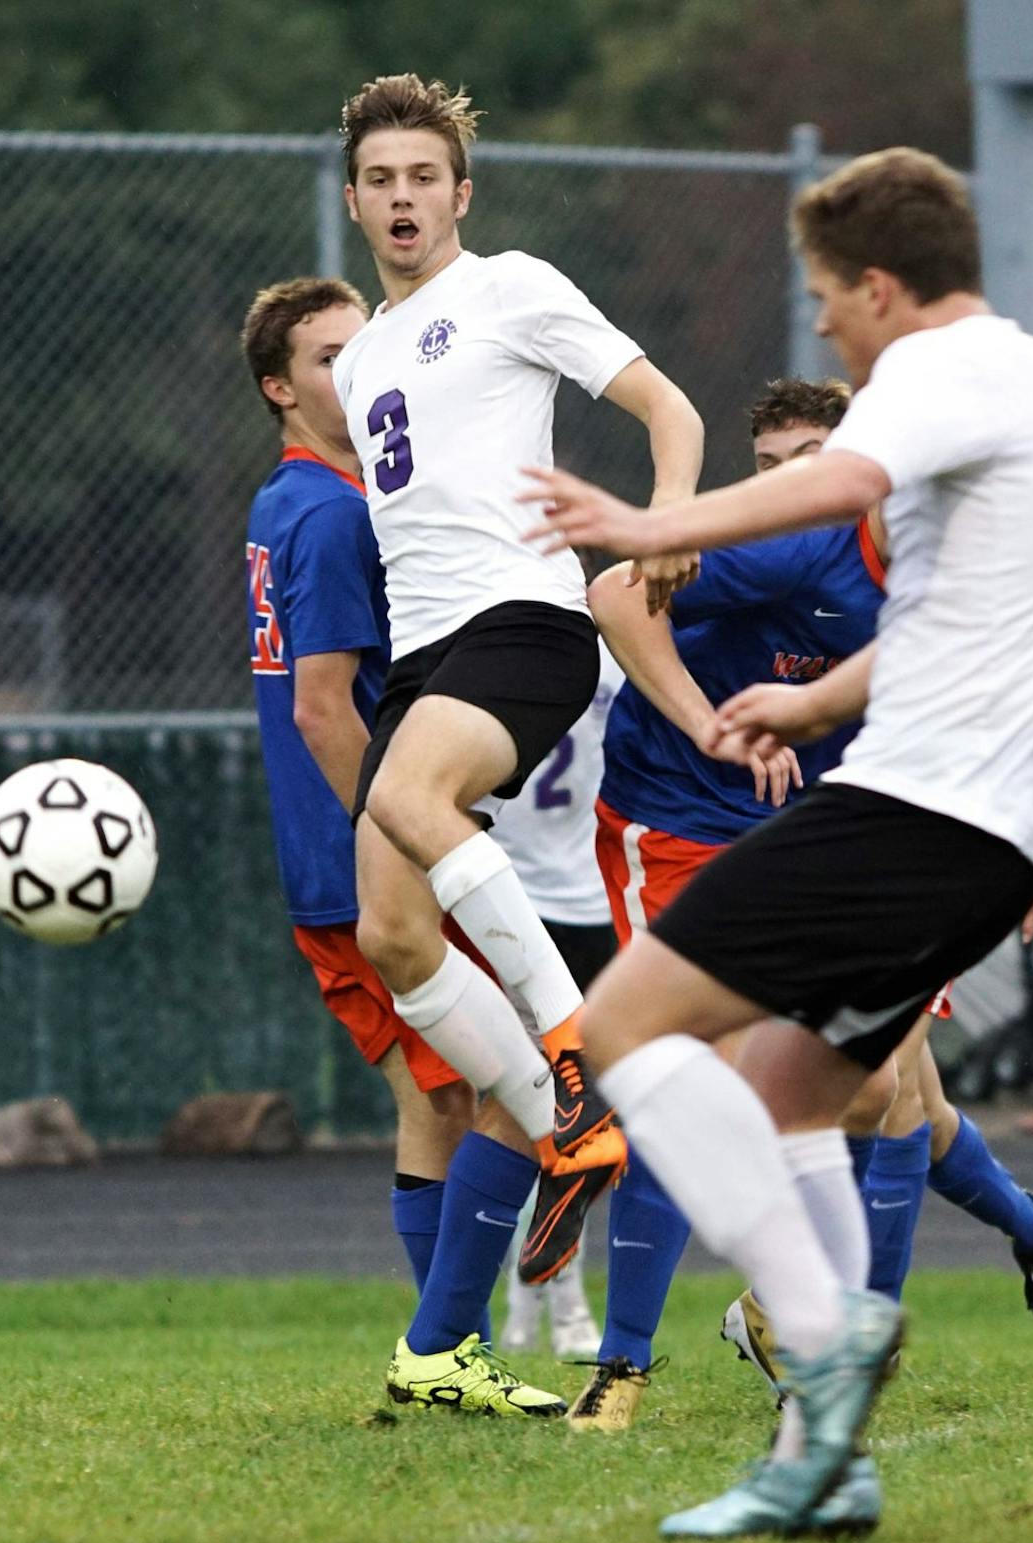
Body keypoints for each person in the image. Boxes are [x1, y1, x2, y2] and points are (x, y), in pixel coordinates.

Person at [523, 148, 1033, 1538]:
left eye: (827, 301)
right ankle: (824, 1459)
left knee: (621, 1029)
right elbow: (985, 613)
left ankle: (823, 1332)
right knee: (796, 1100)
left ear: (884, 286)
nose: (826, 331)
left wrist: (649, 521)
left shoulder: (931, 368)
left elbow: (836, 481)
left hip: (914, 812)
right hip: (990, 829)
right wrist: (819, 695)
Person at [561, 378, 1033, 1438]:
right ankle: (625, 1364)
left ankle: (930, 1284)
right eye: (769, 468)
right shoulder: (785, 541)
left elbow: (1015, 698)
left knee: (899, 1099)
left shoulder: (944, 557)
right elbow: (618, 592)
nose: (792, 484)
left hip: (851, 837)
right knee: (679, 1073)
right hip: (680, 823)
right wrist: (713, 722)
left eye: (817, 458)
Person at [326, 73, 705, 1408]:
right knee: (390, 932)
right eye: (379, 179)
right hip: (427, 655)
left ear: (461, 193)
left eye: (423, 177)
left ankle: (570, 1063)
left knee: (421, 804)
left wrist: (664, 525)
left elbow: (672, 413)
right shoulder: (364, 352)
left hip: (524, 626)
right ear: (355, 198)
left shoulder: (513, 289)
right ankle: (442, 1342)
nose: (402, 197)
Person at [237, 273, 563, 1415]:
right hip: (362, 864)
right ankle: (443, 1347)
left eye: (358, 345)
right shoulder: (328, 512)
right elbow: (327, 707)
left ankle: (450, 1351)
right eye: (325, 357)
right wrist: (406, 834)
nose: (352, 369)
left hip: (330, 862)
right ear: (280, 388)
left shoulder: (295, 503)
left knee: (435, 1102)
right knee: (522, 1093)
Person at [487, 647, 625, 1360]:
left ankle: (536, 1307)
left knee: (546, 1120)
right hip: (569, 904)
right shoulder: (610, 656)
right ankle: (554, 1308)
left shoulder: (505, 647)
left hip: (524, 905)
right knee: (569, 1121)